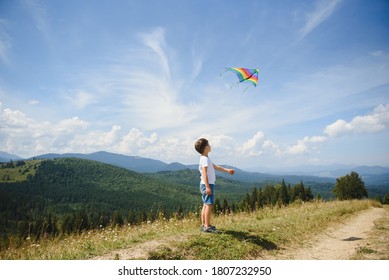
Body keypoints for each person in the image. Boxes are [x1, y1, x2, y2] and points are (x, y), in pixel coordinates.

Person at [194, 138, 235, 233]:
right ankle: (207, 226)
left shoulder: (205, 158)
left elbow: (215, 167)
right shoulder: (204, 159)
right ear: (206, 147)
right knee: (208, 204)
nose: (210, 145)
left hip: (204, 184)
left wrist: (227, 170)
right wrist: (208, 186)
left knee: (205, 204)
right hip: (207, 184)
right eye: (208, 144)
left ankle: (204, 224)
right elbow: (204, 173)